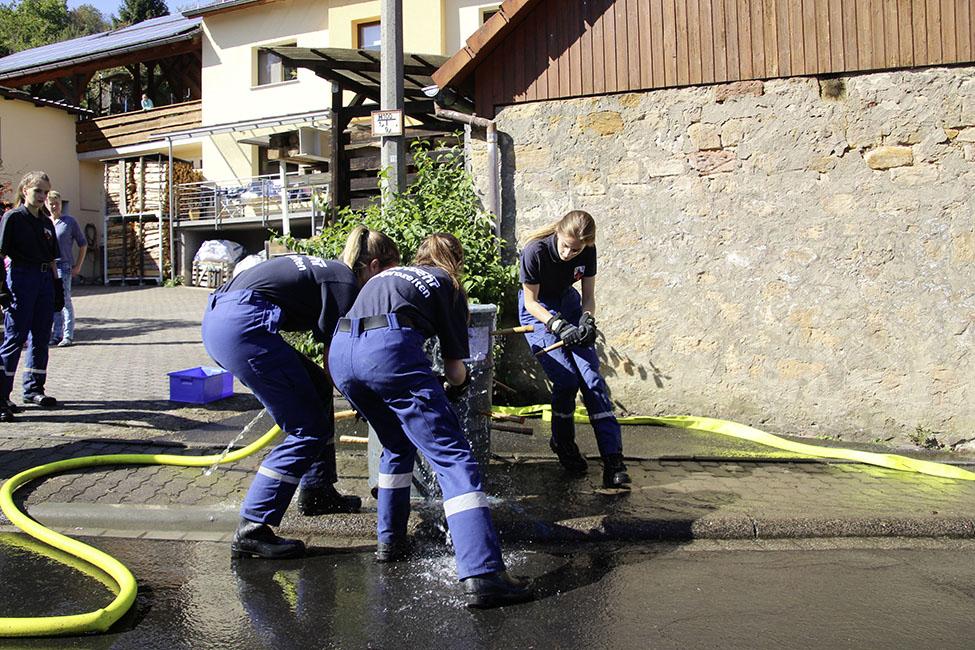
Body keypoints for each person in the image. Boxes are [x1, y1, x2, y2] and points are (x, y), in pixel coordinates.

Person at [329, 233, 534, 609]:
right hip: (387, 352)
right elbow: (456, 373)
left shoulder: (387, 275)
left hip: (341, 355)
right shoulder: (448, 284)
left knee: (395, 443)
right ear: (455, 261)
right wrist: (460, 386)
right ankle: (484, 574)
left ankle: (390, 542)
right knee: (454, 458)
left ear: (418, 256)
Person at [202, 227, 400, 559]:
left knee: (317, 387)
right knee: (306, 429)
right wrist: (366, 404)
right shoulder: (345, 284)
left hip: (222, 318)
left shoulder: (332, 272)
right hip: (242, 327)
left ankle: (317, 490)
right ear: (375, 266)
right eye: (389, 275)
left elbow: (327, 374)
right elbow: (335, 359)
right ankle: (253, 527)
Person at [518, 210, 631, 489]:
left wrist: (586, 320)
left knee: (592, 381)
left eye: (576, 250)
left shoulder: (588, 251)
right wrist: (556, 324)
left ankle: (613, 460)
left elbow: (588, 297)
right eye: (565, 246)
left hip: (569, 304)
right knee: (567, 380)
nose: (569, 254)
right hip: (539, 312)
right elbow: (531, 302)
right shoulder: (535, 251)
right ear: (558, 233)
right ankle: (563, 442)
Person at [0, 171, 65, 421]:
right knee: (15, 338)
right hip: (22, 279)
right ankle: (2, 397)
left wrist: (57, 287)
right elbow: (1, 253)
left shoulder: (46, 222)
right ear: (25, 189)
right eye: (38, 190)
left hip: (44, 280)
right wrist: (2, 288)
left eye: (46, 192)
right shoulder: (13, 218)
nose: (42, 196)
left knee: (41, 336)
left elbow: (51, 258)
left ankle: (34, 389)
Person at [47, 191, 87, 347]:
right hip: (49, 267)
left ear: (61, 204)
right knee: (54, 301)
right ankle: (56, 334)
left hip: (63, 266)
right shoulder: (45, 222)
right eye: (51, 203)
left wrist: (78, 265)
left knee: (65, 300)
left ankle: (68, 335)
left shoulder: (69, 222)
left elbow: (83, 243)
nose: (54, 206)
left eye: (56, 203)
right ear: (46, 205)